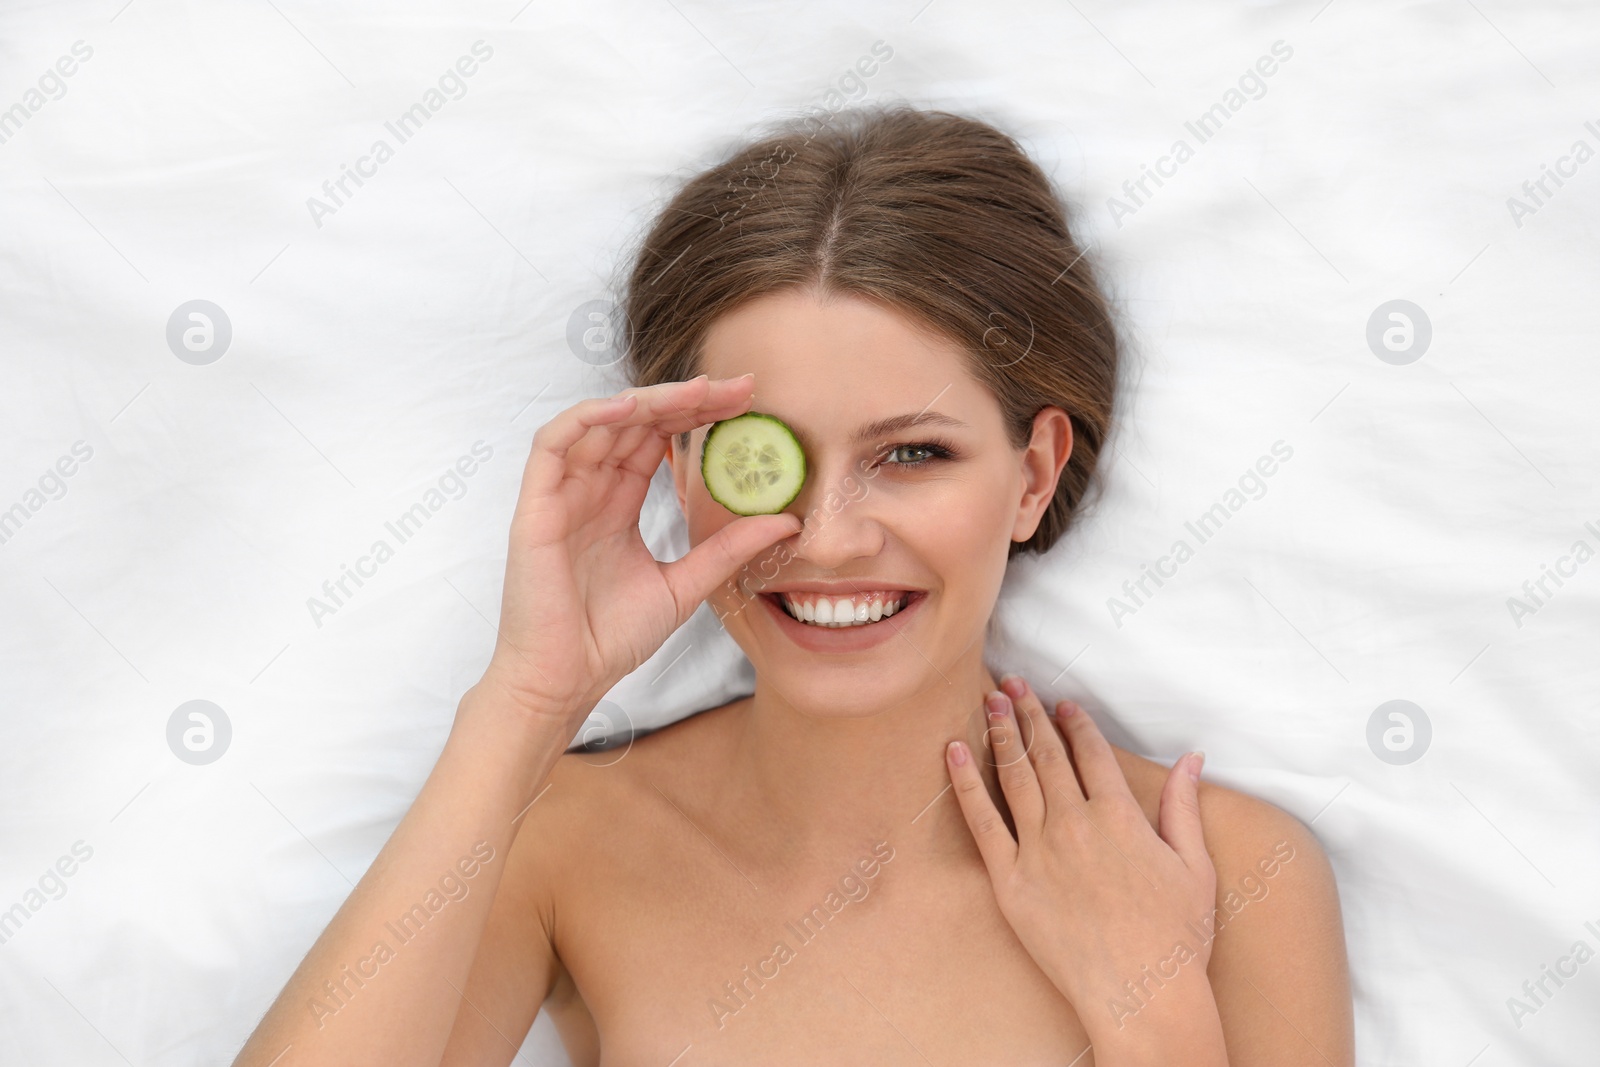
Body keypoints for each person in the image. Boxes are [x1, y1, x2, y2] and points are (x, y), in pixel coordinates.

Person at [234, 105, 1353, 1066]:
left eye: (911, 453)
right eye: (759, 456)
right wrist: (527, 698)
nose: (825, 539)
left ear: (1035, 473)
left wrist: (1152, 1013)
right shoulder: (557, 839)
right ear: (678, 464)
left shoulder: (1223, 869)